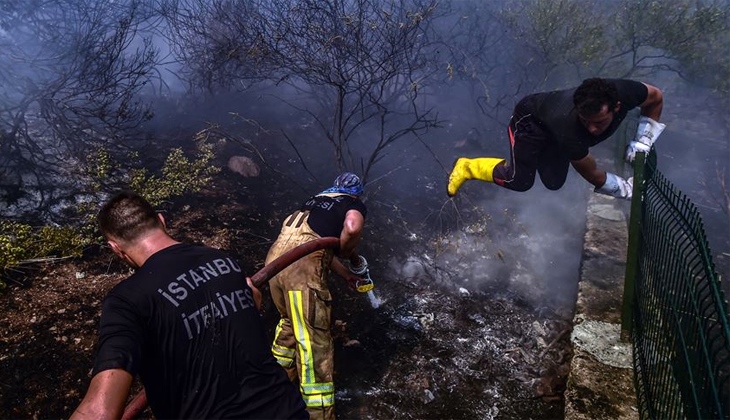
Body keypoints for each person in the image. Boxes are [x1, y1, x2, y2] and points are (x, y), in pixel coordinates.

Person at [70, 191, 309, 420]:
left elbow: (100, 412)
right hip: (288, 411)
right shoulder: (222, 260)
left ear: (115, 248)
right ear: (162, 221)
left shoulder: (126, 300)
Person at [447, 78, 665, 199]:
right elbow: (594, 175)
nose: (591, 128)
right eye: (585, 120)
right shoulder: (571, 131)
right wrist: (626, 190)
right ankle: (467, 167)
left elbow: (655, 98)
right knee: (520, 181)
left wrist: (643, 142)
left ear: (616, 107)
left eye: (598, 122)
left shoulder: (626, 93)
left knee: (553, 183)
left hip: (556, 129)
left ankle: (543, 151)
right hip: (531, 121)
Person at [265, 172, 368, 420]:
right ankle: (318, 413)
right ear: (356, 193)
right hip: (302, 274)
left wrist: (345, 274)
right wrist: (346, 249)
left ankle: (272, 391)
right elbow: (352, 229)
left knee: (290, 324)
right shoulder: (351, 203)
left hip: (274, 267)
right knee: (314, 342)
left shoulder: (312, 203)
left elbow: (311, 244)